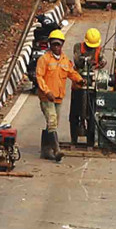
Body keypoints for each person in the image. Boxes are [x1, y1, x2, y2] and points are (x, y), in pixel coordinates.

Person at [35, 28, 83, 161]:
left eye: (59, 44)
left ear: (62, 44)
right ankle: (56, 150)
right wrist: (47, 91)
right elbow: (39, 77)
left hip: (58, 98)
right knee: (52, 121)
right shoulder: (44, 59)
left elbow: (71, 72)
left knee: (53, 123)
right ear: (50, 44)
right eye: (54, 44)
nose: (56, 47)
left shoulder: (64, 60)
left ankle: (45, 150)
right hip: (47, 97)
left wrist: (80, 80)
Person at [69, 27, 104, 145]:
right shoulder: (78, 47)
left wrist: (100, 63)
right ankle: (74, 138)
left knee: (92, 113)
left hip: (92, 86)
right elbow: (77, 61)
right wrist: (85, 61)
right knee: (74, 113)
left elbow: (102, 61)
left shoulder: (99, 49)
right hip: (78, 85)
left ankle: (91, 139)